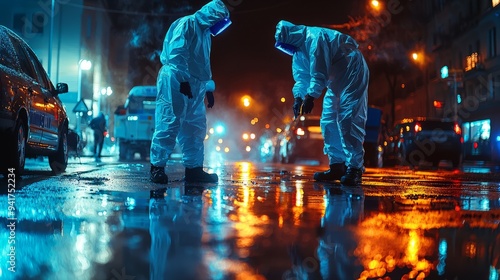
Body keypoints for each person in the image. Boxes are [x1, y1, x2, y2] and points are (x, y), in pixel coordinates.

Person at [274, 20, 370, 186]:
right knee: (328, 121)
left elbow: (319, 72)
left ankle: (355, 167)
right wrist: (298, 97)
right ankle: (337, 166)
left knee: (348, 119)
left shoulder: (315, 38)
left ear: (291, 37)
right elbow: (301, 78)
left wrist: (311, 96)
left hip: (352, 71)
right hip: (335, 80)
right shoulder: (298, 53)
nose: (285, 49)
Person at [149, 0, 231, 184]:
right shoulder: (187, 24)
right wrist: (183, 79)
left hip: (195, 83)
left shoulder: (205, 33)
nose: (218, 27)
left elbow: (203, 63)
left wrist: (208, 87)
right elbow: (178, 53)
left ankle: (194, 169)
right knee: (169, 121)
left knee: (195, 127)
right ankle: (157, 168)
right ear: (212, 16)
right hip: (175, 79)